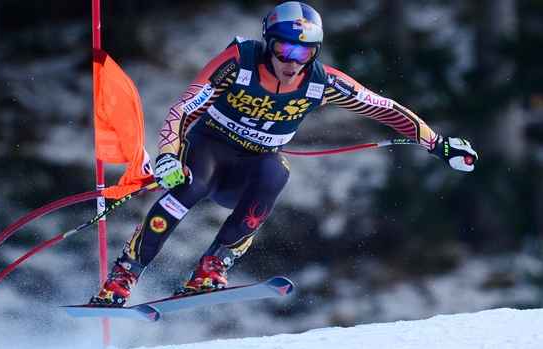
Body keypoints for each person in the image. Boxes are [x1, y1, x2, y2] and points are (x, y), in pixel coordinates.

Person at [89, 1, 478, 306]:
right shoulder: (239, 63)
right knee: (191, 186)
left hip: (252, 165)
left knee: (277, 173)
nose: (291, 61)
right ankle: (125, 274)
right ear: (268, 42)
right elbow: (184, 108)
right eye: (284, 48)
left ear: (315, 53)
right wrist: (169, 156)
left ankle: (212, 265)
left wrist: (439, 144)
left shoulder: (320, 83)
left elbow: (384, 107)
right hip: (208, 149)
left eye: (303, 52)